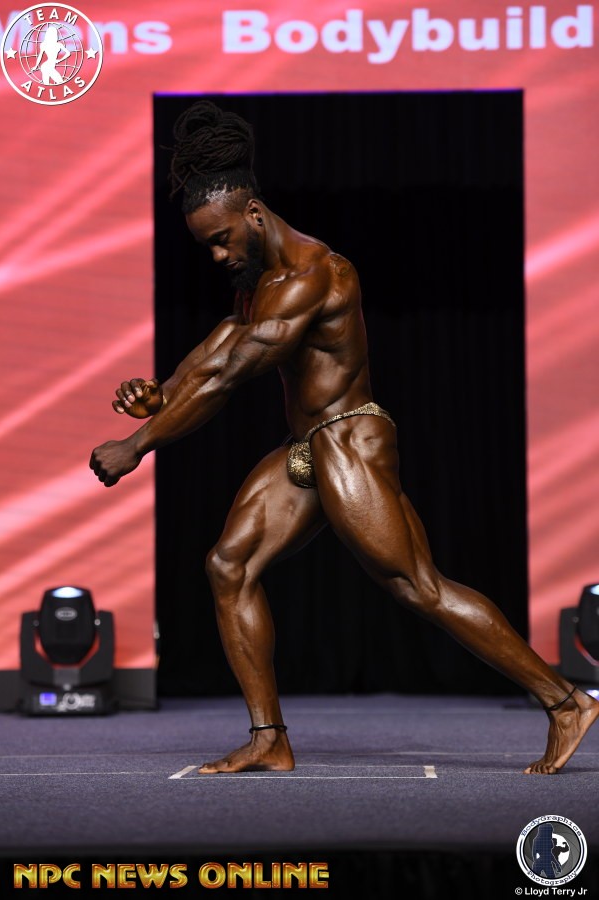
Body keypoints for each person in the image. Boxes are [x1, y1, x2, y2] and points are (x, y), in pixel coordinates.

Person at [90, 100, 598, 775]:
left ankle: (565, 701)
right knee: (228, 566)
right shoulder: (259, 281)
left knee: (417, 585)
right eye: (207, 245)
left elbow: (231, 375)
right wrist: (156, 392)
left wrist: (139, 445)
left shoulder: (314, 274)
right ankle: (269, 738)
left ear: (255, 215)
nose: (217, 254)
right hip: (306, 447)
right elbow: (215, 353)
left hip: (350, 438)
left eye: (222, 239)